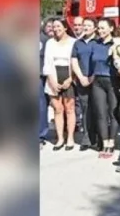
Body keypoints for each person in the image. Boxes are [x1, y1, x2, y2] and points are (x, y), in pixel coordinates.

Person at [42, 18, 77, 151]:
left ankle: (70, 138)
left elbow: (75, 63)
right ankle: (60, 138)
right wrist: (52, 81)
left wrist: (70, 79)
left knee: (69, 108)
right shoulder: (50, 43)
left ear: (65, 28)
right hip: (53, 76)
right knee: (57, 109)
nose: (56, 29)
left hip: (68, 76)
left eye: (58, 26)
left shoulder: (73, 42)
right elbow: (47, 63)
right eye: (54, 27)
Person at [89, 18, 120, 158]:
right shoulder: (95, 44)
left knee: (113, 113)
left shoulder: (117, 43)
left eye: (103, 28)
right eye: (99, 28)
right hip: (98, 82)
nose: (100, 31)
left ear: (111, 29)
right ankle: (104, 142)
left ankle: (112, 143)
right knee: (100, 113)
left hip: (112, 80)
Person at [70, 17, 98, 151]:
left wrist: (92, 77)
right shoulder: (78, 43)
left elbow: (100, 61)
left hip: (96, 81)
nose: (85, 27)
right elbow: (74, 61)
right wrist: (81, 77)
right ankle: (87, 138)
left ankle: (99, 138)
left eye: (88, 25)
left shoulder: (98, 42)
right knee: (85, 109)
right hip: (82, 81)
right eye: (84, 25)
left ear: (94, 28)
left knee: (98, 109)